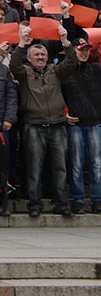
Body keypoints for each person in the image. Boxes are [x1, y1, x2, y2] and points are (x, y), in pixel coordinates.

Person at [9, 23, 77, 217]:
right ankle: (34, 204)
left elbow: (72, 63)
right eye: (36, 55)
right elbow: (14, 65)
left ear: (47, 57)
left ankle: (61, 204)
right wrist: (22, 43)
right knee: (34, 168)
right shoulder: (24, 73)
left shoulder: (55, 71)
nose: (40, 58)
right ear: (29, 59)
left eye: (43, 55)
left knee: (60, 167)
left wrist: (65, 42)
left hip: (57, 125)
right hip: (33, 125)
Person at [59, 38, 101, 214]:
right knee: (76, 164)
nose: (84, 53)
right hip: (75, 123)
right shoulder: (64, 72)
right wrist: (64, 113)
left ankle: (97, 200)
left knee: (97, 164)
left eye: (87, 50)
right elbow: (57, 96)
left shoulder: (96, 69)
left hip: (95, 122)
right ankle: (78, 200)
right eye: (81, 50)